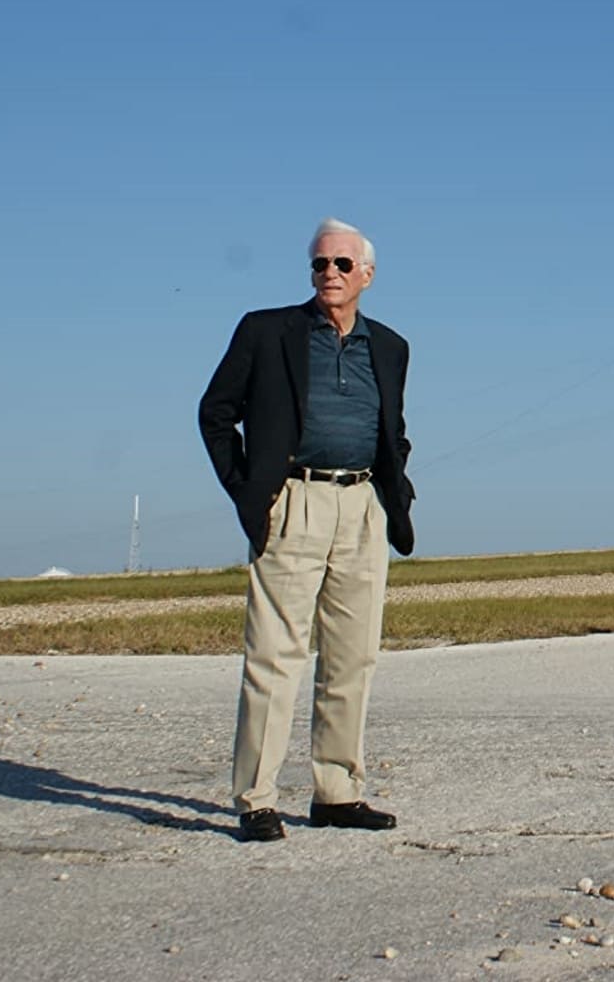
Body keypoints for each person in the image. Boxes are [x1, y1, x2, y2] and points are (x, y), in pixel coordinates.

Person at [198, 217, 416, 842]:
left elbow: (392, 428)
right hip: (291, 502)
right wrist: (249, 491)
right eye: (320, 264)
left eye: (343, 265)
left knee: (354, 656)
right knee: (275, 656)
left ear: (367, 275)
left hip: (362, 507)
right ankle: (257, 798)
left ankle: (338, 791)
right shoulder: (267, 332)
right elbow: (216, 413)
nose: (330, 274)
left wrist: (396, 492)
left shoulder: (391, 346)